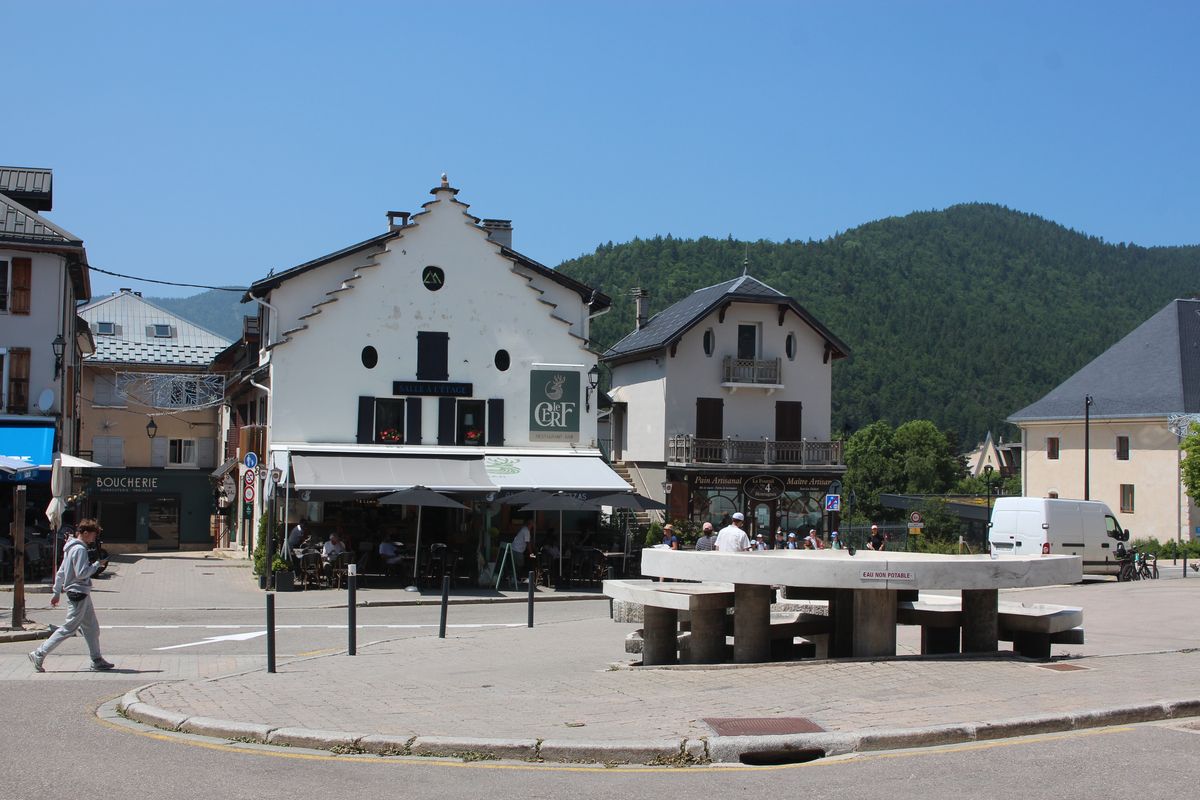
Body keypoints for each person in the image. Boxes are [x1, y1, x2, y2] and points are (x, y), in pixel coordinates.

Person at [29, 519, 114, 673]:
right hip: (78, 592)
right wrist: (97, 565)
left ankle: (97, 659)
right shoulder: (80, 549)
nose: (94, 538)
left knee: (92, 628)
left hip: (79, 593)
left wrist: (56, 592)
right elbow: (81, 573)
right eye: (94, 534)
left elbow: (61, 571)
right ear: (85, 533)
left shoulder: (70, 547)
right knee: (69, 628)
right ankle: (39, 653)